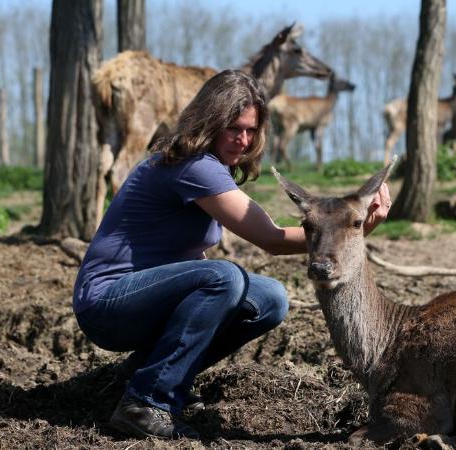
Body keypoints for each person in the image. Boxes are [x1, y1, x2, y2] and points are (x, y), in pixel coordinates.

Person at [72, 69, 391, 440]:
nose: (243, 140)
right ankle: (144, 401)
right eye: (233, 128)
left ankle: (145, 374)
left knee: (269, 298)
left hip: (140, 300)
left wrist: (352, 230)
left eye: (251, 131)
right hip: (108, 304)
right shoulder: (193, 167)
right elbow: (270, 239)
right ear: (210, 122)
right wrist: (356, 230)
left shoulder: (211, 168)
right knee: (225, 278)